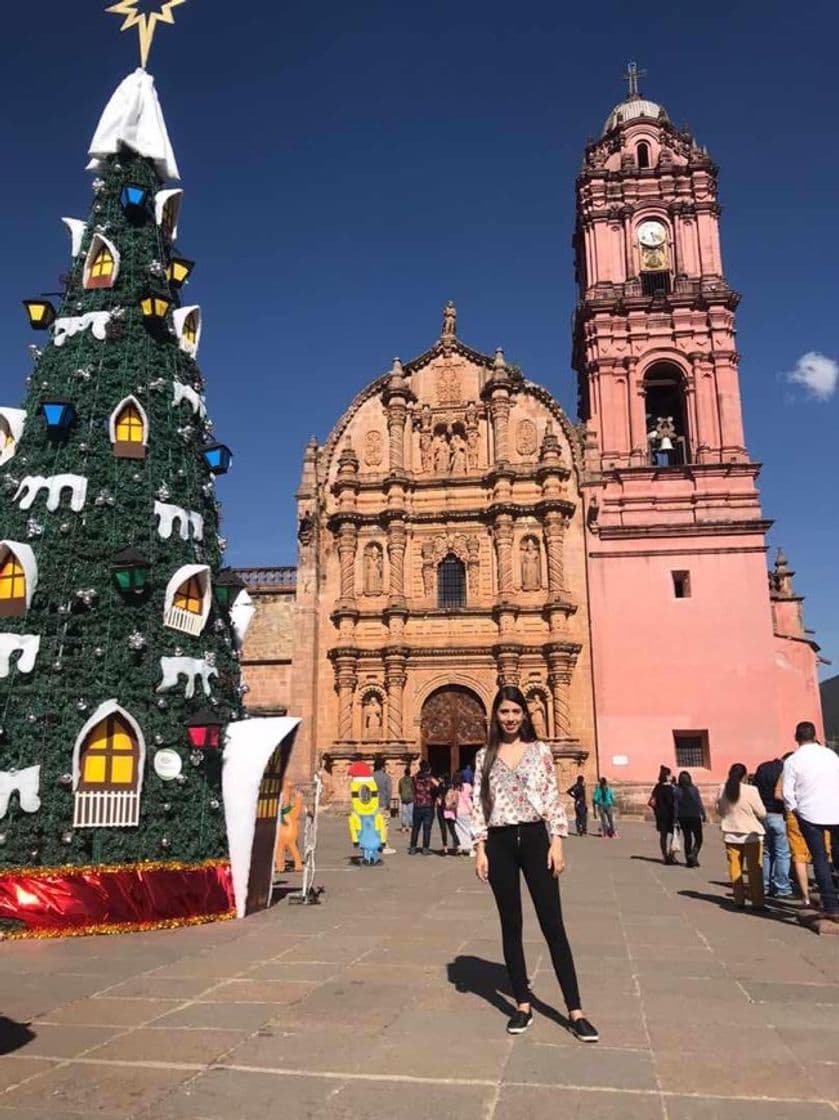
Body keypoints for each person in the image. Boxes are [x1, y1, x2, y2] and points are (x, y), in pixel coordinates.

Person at [472, 685, 598, 1042]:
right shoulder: (484, 756)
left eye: (515, 712)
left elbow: (551, 796)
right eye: (503, 712)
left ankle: (575, 1010)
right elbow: (479, 806)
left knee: (552, 923)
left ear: (525, 714)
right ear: (494, 716)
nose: (509, 718)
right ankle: (522, 1004)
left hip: (534, 839)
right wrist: (479, 848)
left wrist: (557, 840)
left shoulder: (541, 751)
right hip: (498, 842)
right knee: (510, 924)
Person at [782, 721, 839, 919]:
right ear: (815, 736)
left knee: (820, 859)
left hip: (809, 814)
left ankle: (831, 906)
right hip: (836, 811)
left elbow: (787, 793)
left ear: (796, 738)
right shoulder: (831, 755)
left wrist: (795, 811)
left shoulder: (793, 761)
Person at [716, 763, 766, 909]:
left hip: (731, 832)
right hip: (751, 834)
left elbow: (719, 810)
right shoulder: (751, 790)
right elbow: (762, 812)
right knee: (754, 869)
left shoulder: (722, 789)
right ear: (744, 776)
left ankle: (739, 899)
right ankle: (758, 902)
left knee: (735, 867)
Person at [753, 753, 792, 898]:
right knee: (782, 853)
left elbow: (754, 788)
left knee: (767, 852)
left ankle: (765, 885)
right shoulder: (786, 771)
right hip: (778, 813)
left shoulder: (762, 767)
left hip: (763, 814)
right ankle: (782, 887)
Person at [648, 765, 678, 864]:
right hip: (670, 815)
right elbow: (672, 802)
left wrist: (657, 810)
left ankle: (665, 856)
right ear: (667, 776)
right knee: (674, 834)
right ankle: (671, 854)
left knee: (663, 836)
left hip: (660, 815)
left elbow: (651, 801)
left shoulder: (657, 787)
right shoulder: (670, 788)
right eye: (670, 774)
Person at [676, 771, 706, 867]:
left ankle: (689, 859)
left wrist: (675, 817)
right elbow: (698, 802)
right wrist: (703, 813)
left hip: (683, 817)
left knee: (687, 838)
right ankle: (693, 854)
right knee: (699, 838)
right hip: (694, 816)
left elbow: (675, 805)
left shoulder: (677, 790)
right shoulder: (694, 789)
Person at [408, 760, 437, 855]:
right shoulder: (430, 779)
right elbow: (437, 788)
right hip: (428, 805)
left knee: (416, 828)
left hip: (417, 805)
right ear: (428, 769)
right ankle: (425, 848)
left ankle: (413, 847)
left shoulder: (415, 778)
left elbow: (413, 789)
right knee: (427, 828)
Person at [372, 755, 396, 855]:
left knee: (374, 825)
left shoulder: (370, 776)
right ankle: (383, 845)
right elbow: (389, 791)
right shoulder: (386, 777)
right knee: (384, 825)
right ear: (383, 766)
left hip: (372, 805)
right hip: (383, 804)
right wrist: (387, 803)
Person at [453, 771, 475, 855]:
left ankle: (460, 847)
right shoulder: (467, 786)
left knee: (458, 830)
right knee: (469, 830)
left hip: (458, 812)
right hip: (468, 811)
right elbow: (473, 794)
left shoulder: (454, 788)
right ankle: (470, 848)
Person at [397, 764, 414, 833]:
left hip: (403, 797)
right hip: (410, 798)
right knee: (411, 813)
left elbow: (399, 790)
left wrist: (401, 794)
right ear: (410, 773)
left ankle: (403, 827)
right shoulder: (412, 780)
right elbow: (413, 789)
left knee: (404, 813)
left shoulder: (401, 780)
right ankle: (410, 827)